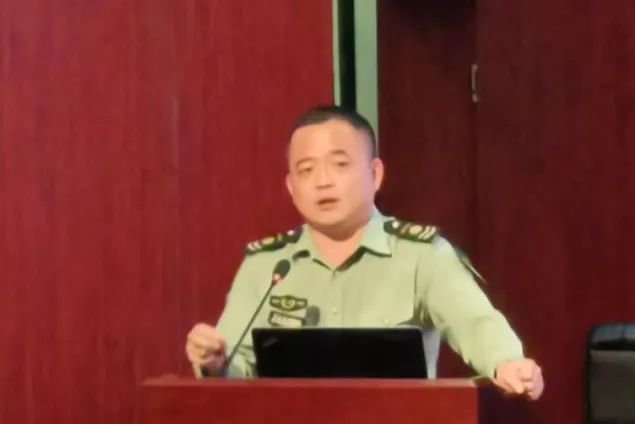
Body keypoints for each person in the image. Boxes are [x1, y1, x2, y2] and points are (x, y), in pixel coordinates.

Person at [184, 105, 544, 399]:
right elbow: (234, 370)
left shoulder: (422, 256)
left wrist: (507, 363)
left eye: (340, 164)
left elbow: (476, 324)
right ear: (291, 188)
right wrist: (214, 363)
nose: (323, 181)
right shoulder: (267, 266)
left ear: (375, 174)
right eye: (306, 170)